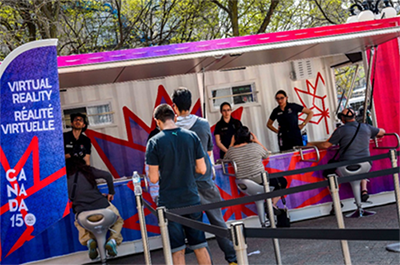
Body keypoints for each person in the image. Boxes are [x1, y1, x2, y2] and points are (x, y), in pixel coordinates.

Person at [172, 88, 237, 265]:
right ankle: (233, 259)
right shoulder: (202, 123)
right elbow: (209, 150)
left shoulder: (171, 129)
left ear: (174, 106)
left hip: (184, 186)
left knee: (195, 230)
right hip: (205, 180)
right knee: (218, 222)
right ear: (190, 103)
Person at [145, 104, 211, 265]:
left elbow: (153, 178)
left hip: (170, 202)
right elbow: (202, 169)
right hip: (191, 197)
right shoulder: (192, 137)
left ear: (157, 121)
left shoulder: (154, 143)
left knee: (177, 250)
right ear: (174, 117)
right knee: (200, 246)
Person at [309, 108, 385, 203]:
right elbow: (382, 132)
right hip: (366, 166)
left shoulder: (340, 130)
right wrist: (375, 134)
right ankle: (363, 190)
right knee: (361, 169)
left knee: (327, 174)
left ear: (342, 118)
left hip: (346, 168)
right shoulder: (366, 127)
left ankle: (336, 202)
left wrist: (310, 144)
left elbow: (325, 145)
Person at [66, 157, 124, 260]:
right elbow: (107, 175)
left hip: (85, 216)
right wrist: (111, 192)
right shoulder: (88, 171)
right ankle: (113, 240)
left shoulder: (65, 178)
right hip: (104, 212)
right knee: (118, 219)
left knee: (78, 223)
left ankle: (88, 240)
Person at [224, 126, 287, 212]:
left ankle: (270, 207)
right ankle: (271, 205)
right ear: (249, 136)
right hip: (260, 181)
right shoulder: (255, 147)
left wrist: (231, 144)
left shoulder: (231, 151)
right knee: (282, 182)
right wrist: (257, 141)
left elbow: (225, 159)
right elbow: (266, 154)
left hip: (243, 185)